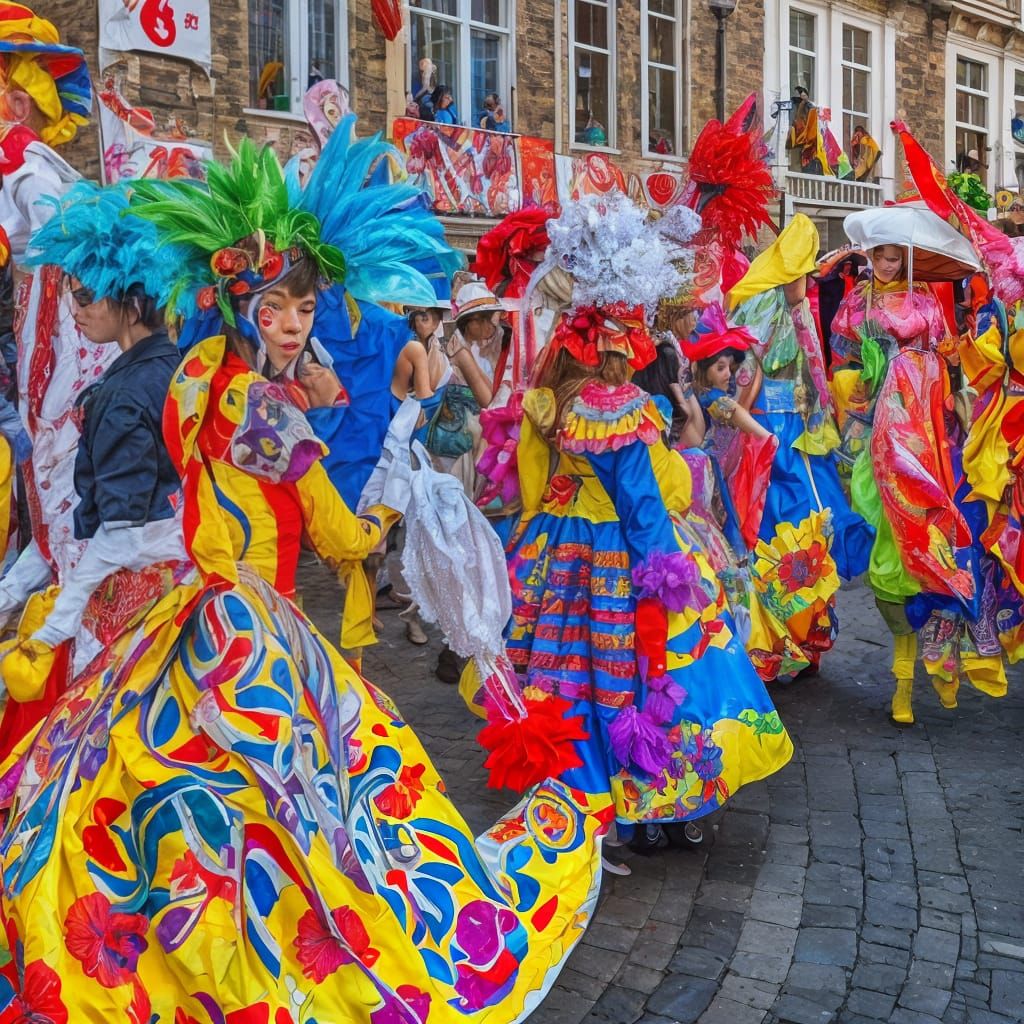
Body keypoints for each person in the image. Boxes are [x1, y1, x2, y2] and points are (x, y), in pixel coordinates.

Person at [0, 130, 605, 1022]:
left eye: (306, 312)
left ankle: (176, 939)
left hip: (194, 616)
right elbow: (347, 539)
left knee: (182, 792)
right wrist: (404, 475)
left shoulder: (205, 375)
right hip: (240, 631)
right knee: (293, 815)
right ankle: (251, 961)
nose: (293, 326)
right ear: (241, 304)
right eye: (278, 309)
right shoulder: (252, 405)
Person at [495, 194, 793, 851]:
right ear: (623, 338)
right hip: (623, 558)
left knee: (567, 671)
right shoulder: (621, 406)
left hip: (558, 552)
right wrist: (670, 573)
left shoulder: (547, 400)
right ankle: (648, 798)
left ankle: (577, 796)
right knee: (643, 671)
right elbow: (642, 505)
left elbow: (534, 488)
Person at [0, 182, 189, 749]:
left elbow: (122, 529)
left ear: (130, 303)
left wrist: (59, 620)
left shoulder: (124, 393)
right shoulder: (175, 368)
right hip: (177, 586)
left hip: (131, 605)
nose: (74, 311)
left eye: (84, 297)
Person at [830, 233, 1003, 722]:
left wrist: (942, 389)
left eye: (894, 257)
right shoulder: (855, 302)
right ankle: (903, 670)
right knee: (886, 539)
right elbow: (842, 362)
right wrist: (861, 381)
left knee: (924, 536)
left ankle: (906, 682)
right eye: (880, 256)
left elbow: (947, 356)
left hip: (926, 427)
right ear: (871, 256)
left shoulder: (924, 296)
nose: (887, 265)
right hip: (875, 431)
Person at [0, 5, 113, 650]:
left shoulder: (22, 156)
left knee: (59, 462)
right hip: (44, 321)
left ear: (17, 103)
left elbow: (58, 233)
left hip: (63, 335)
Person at [729, 214, 874, 678]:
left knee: (816, 528)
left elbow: (814, 370)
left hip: (805, 435)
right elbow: (745, 377)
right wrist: (750, 439)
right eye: (806, 272)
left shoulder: (798, 307)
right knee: (774, 529)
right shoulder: (759, 308)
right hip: (772, 438)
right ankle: (771, 641)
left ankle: (806, 634)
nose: (811, 280)